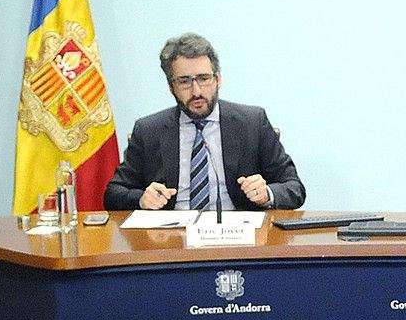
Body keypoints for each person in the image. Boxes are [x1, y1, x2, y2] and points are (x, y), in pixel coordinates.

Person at [104, 33, 305, 212]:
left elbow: (294, 188)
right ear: (170, 86)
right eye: (184, 81)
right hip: (172, 239)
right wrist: (141, 199)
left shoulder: (252, 122)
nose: (196, 91)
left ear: (218, 79)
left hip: (235, 238)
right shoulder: (149, 130)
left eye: (203, 78)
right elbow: (113, 194)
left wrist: (267, 193)